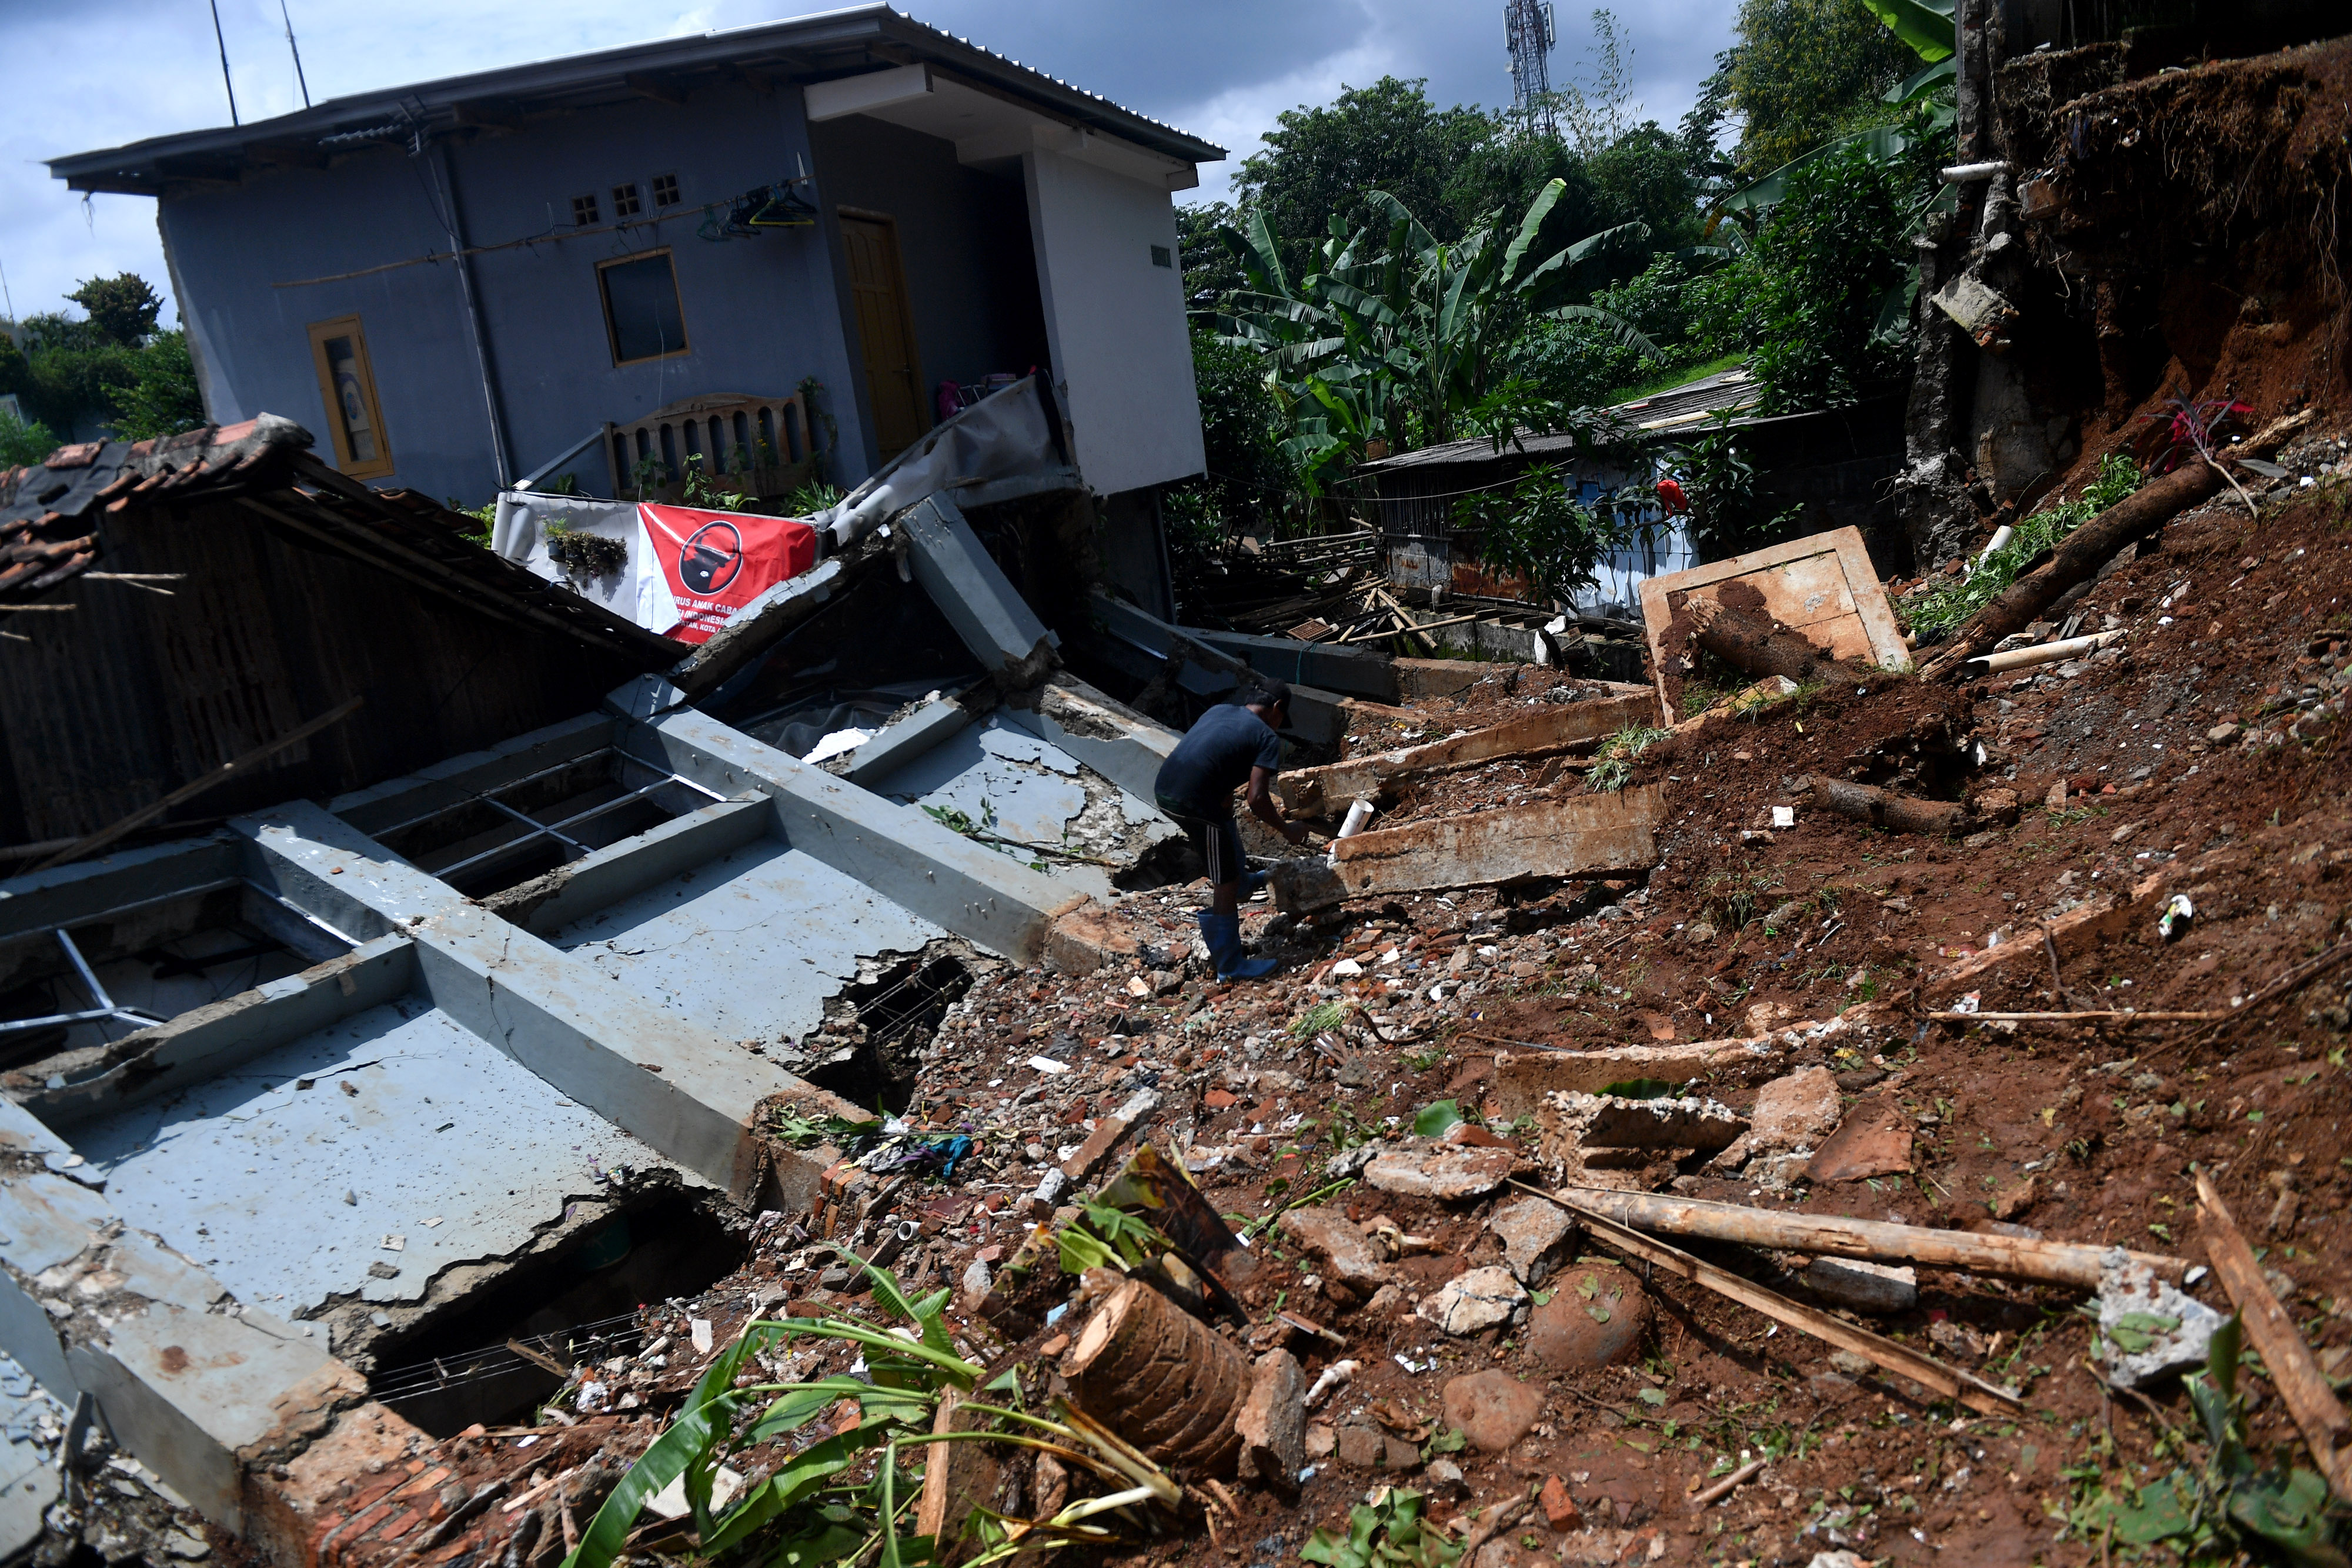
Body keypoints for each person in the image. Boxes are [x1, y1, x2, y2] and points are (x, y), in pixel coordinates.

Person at [1153, 680, 1311, 979]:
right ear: (1277, 709)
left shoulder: (1220, 710)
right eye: (1281, 719)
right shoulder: (1266, 737)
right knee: (1222, 881)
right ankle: (1230, 965)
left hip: (1165, 788)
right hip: (1193, 803)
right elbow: (1257, 798)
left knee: (1226, 813)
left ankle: (1242, 884)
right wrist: (1286, 828)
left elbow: (1212, 760)